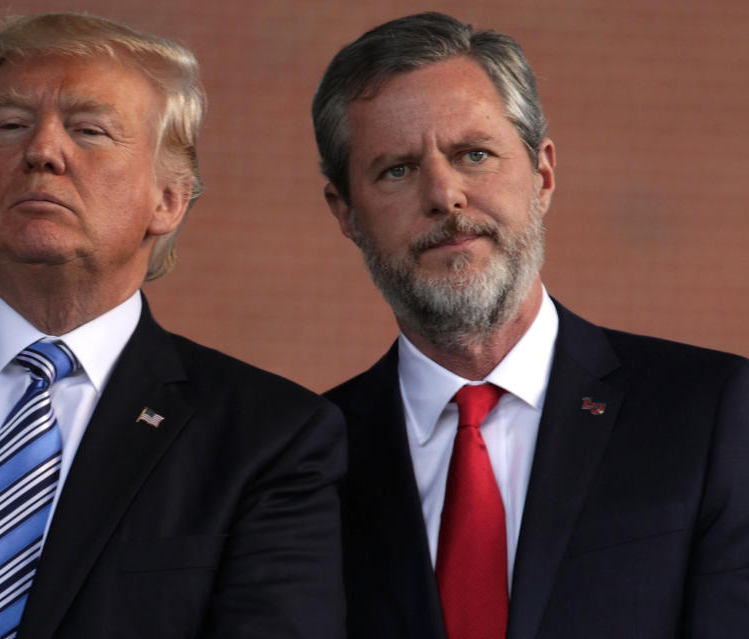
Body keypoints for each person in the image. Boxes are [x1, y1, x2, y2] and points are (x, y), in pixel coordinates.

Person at [0, 13, 346, 639]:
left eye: (89, 130)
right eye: (10, 126)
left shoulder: (270, 438)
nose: (41, 151)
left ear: (169, 199)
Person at [312, 12, 749, 639]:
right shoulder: (307, 455)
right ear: (346, 213)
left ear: (542, 175)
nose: (445, 194)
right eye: (397, 170)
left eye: (475, 154)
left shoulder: (709, 412)